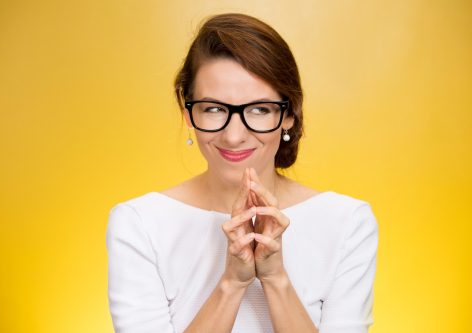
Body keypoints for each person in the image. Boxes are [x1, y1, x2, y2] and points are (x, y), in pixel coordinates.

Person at [106, 13, 378, 333]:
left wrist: (276, 279)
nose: (234, 135)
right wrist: (231, 284)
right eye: (214, 108)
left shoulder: (347, 223)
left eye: (259, 109)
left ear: (289, 114)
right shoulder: (139, 224)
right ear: (189, 113)